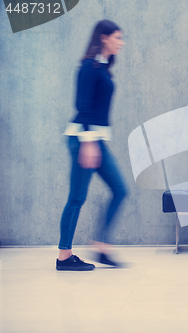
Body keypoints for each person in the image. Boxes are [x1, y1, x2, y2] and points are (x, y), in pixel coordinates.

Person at [56, 20, 127, 271]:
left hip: (95, 139)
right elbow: (82, 105)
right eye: (117, 37)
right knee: (77, 197)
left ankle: (101, 245)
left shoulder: (104, 66)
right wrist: (88, 142)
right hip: (82, 138)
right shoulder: (89, 66)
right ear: (104, 37)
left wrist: (94, 141)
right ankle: (64, 257)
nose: (121, 42)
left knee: (120, 189)